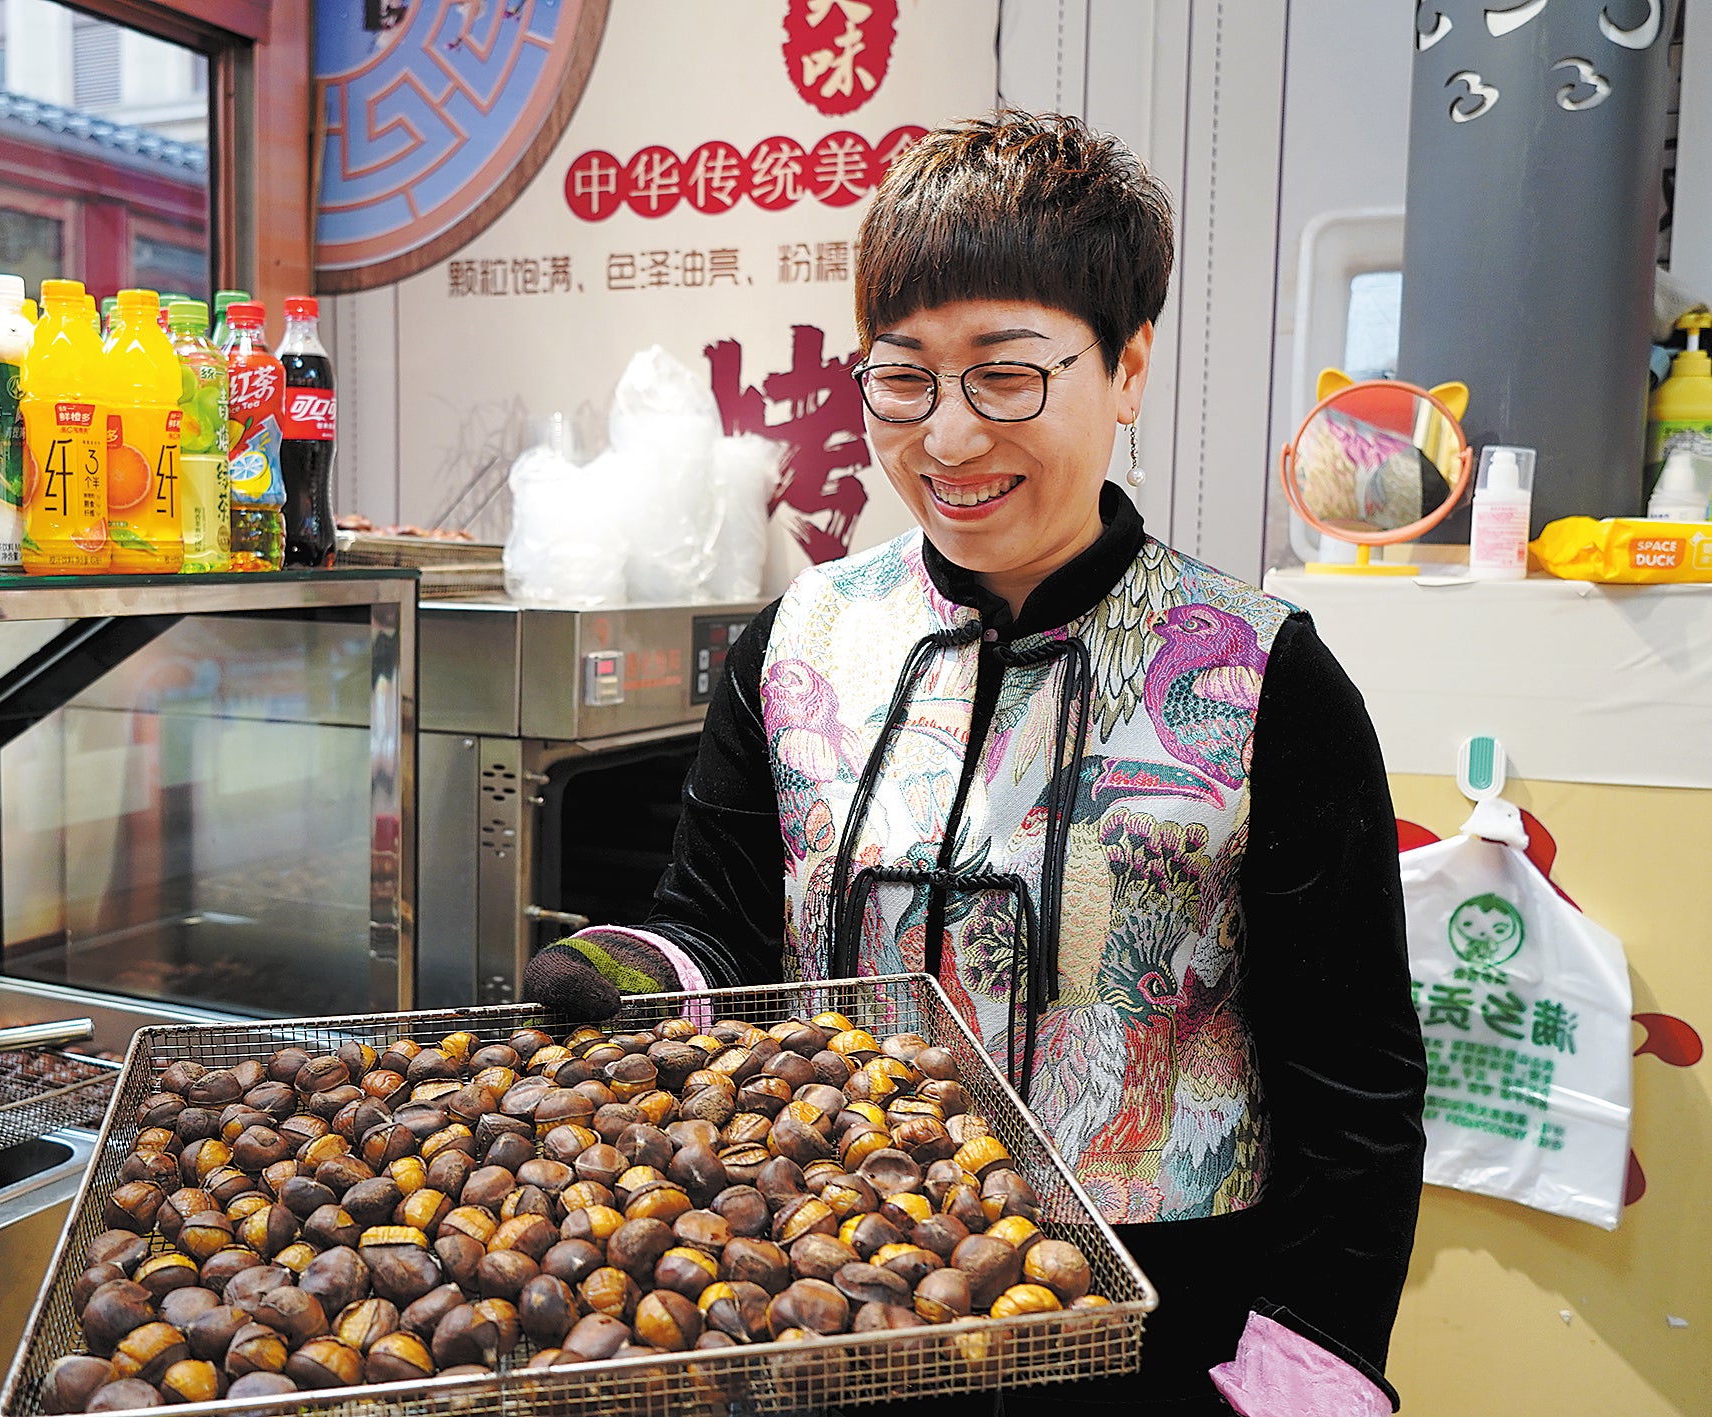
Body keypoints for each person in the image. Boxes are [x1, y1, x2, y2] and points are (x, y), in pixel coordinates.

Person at [521, 110, 1427, 1414]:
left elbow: (1356, 1082)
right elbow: (714, 920)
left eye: (1005, 375)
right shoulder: (798, 642)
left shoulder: (1257, 678)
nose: (945, 439)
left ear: (1125, 368)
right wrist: (639, 970)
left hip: (1161, 1336)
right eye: (903, 378)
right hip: (829, 1290)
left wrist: (1295, 1368)